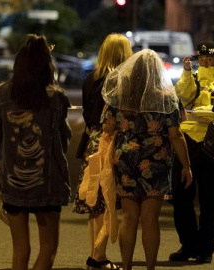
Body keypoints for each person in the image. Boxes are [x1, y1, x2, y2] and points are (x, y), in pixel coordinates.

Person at [0, 34, 71, 270]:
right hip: (48, 181)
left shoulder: (1, 94)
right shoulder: (56, 97)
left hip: (13, 181)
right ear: (47, 65)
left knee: (20, 250)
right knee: (48, 249)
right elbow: (63, 139)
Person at [100, 49, 192, 270]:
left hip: (125, 160)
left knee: (129, 217)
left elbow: (107, 127)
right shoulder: (167, 98)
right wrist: (187, 166)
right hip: (156, 161)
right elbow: (176, 135)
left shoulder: (120, 96)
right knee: (150, 218)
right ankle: (150, 267)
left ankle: (127, 266)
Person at [73, 33, 132, 270]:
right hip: (110, 141)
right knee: (108, 199)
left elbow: (88, 115)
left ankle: (96, 254)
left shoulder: (91, 78)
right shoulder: (119, 80)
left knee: (94, 201)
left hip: (91, 141)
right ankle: (98, 257)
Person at [170, 40, 214, 264]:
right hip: (188, 142)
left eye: (208, 59)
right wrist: (186, 72)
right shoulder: (190, 78)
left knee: (209, 200)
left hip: (212, 143)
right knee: (181, 197)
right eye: (201, 58)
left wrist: (199, 114)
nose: (204, 61)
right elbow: (182, 97)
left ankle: (206, 248)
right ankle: (188, 244)